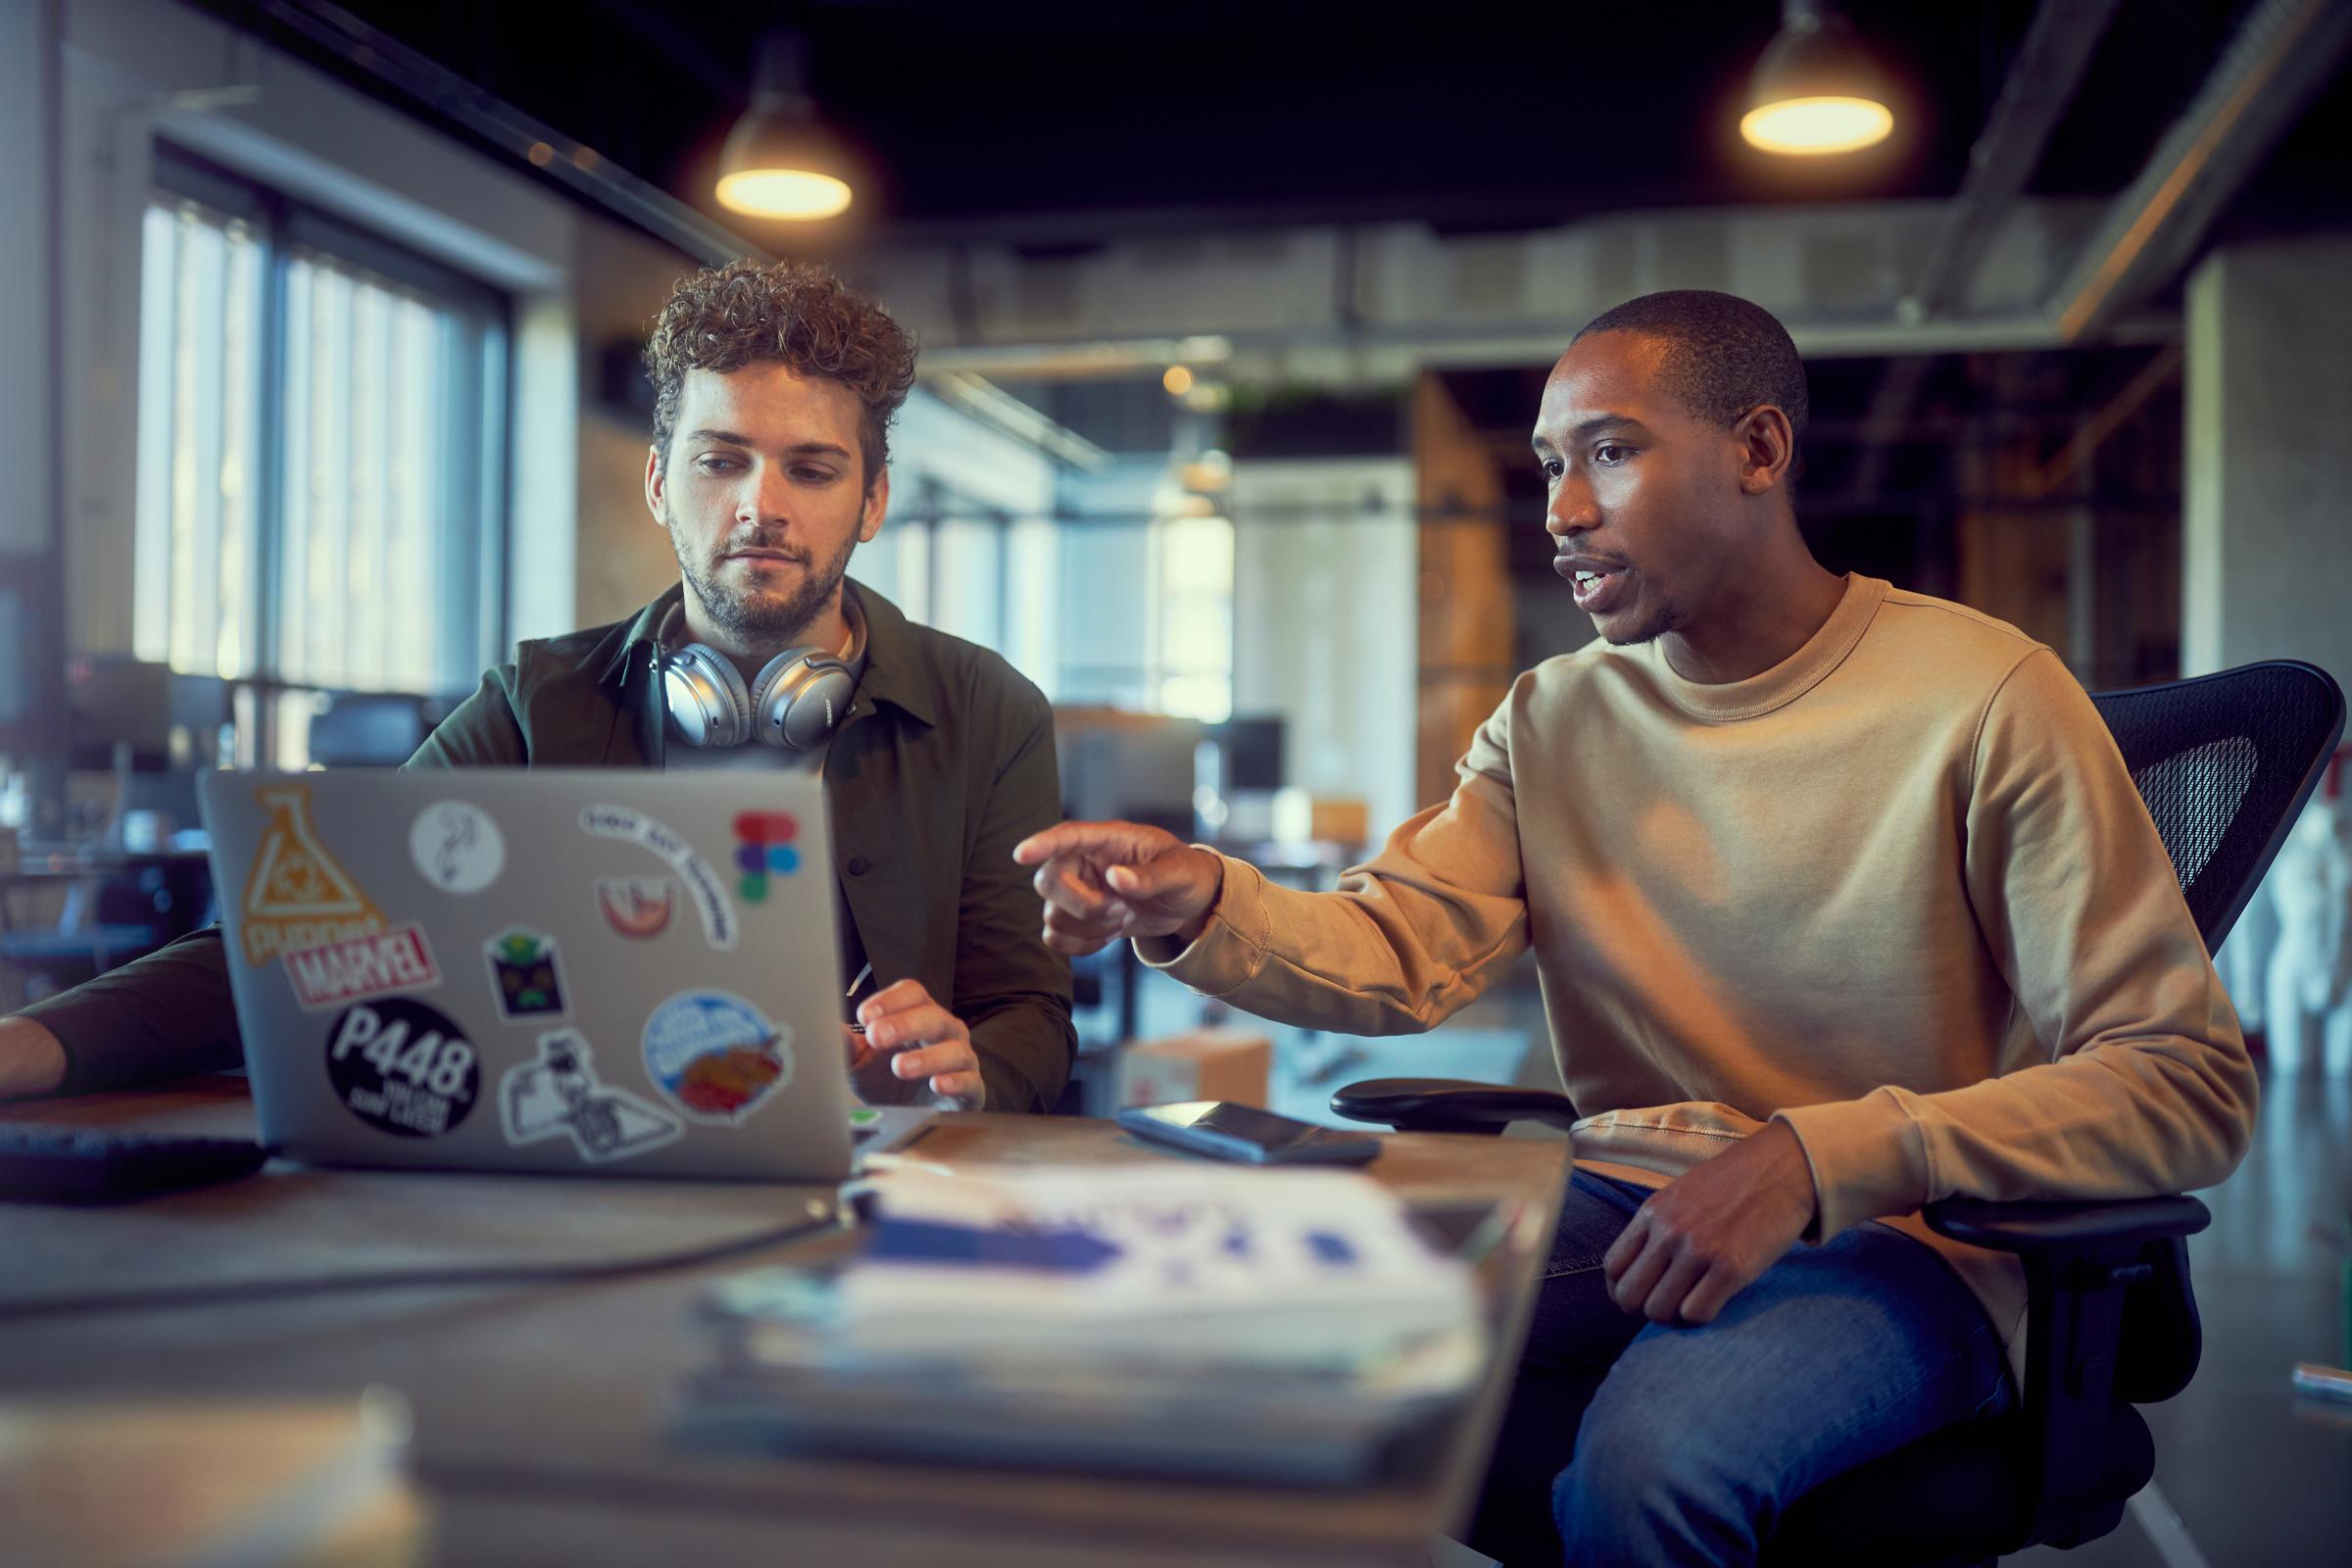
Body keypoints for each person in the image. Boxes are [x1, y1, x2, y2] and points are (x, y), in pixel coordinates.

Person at [1015, 290, 2255, 1564]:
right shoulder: (1554, 718)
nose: (1560, 510)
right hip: (1623, 1199)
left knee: (1647, 1474)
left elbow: (2186, 1083)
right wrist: (1204, 901)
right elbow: (1397, 946)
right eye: (1552, 465)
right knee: (1229, 1317)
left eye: (1608, 451)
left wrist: (1821, 1158)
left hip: (1909, 1242)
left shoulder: (1988, 697)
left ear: (1759, 452)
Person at [0, 259, 1072, 1116]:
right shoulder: (535, 702)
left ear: (873, 499)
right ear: (659, 482)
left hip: (874, 1180)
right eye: (720, 459)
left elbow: (1029, 1011)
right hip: (589, 1160)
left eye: (812, 467)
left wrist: (963, 1062)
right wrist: (36, 1044)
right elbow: (293, 936)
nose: (762, 506)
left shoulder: (988, 711)